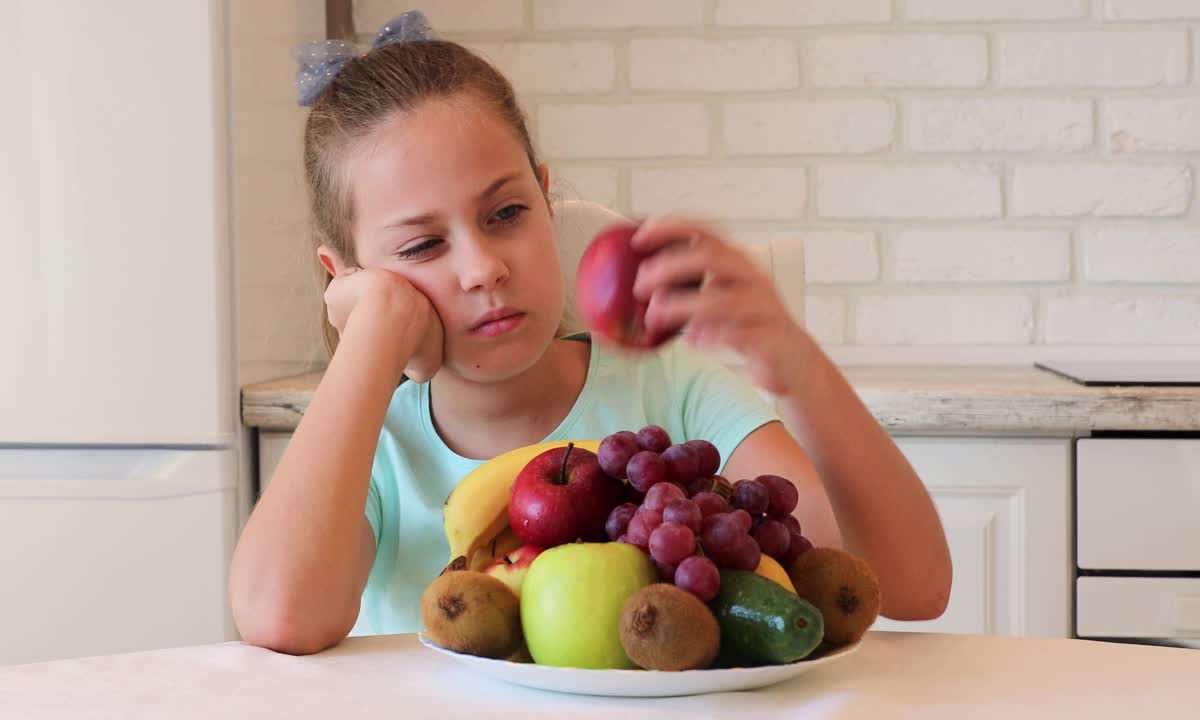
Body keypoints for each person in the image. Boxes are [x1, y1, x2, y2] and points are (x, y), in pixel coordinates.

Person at [228, 11, 952, 656]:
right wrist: (370, 335)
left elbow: (912, 588)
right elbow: (279, 618)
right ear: (346, 276)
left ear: (547, 198)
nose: (483, 269)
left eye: (506, 212)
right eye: (422, 248)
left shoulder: (678, 393)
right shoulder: (371, 446)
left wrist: (796, 361)